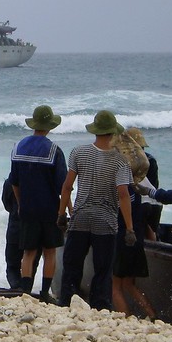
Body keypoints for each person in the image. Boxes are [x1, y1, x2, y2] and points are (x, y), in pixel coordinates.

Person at [58, 110, 136, 311]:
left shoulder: (78, 152)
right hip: (106, 220)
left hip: (80, 217)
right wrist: (129, 227)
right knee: (102, 269)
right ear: (113, 133)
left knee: (72, 264)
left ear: (96, 131)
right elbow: (123, 194)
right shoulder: (120, 160)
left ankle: (67, 302)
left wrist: (61, 214)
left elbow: (67, 186)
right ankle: (100, 307)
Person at [8, 105, 67, 303]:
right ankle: (44, 293)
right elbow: (63, 186)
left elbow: (14, 182)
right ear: (50, 126)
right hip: (49, 208)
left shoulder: (18, 147)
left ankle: (24, 291)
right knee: (50, 252)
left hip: (27, 208)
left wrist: (20, 203)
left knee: (28, 253)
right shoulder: (54, 150)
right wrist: (66, 210)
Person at [112, 181, 156, 319]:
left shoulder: (120, 191)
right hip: (136, 240)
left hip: (121, 238)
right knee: (129, 284)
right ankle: (152, 315)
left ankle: (126, 319)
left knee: (115, 286)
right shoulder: (137, 191)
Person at [1, 178, 41, 290]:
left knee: (12, 264)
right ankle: (25, 289)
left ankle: (16, 287)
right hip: (35, 225)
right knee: (33, 262)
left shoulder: (10, 181)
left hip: (15, 225)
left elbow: (6, 204)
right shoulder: (39, 181)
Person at [126, 127, 162, 240]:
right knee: (150, 230)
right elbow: (154, 185)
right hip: (154, 201)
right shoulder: (150, 160)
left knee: (142, 229)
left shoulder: (125, 161)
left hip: (141, 203)